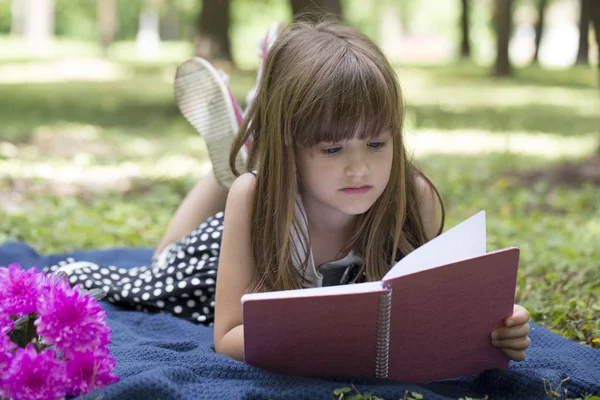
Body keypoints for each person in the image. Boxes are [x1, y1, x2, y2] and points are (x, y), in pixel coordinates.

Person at [51, 19, 531, 365]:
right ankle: (244, 154)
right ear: (294, 148)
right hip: (242, 245)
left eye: (377, 142)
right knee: (159, 268)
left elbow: (448, 315)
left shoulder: (413, 197)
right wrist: (338, 341)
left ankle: (259, 126)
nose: (359, 167)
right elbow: (228, 337)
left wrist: (502, 327)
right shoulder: (253, 199)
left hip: (284, 209)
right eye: (332, 148)